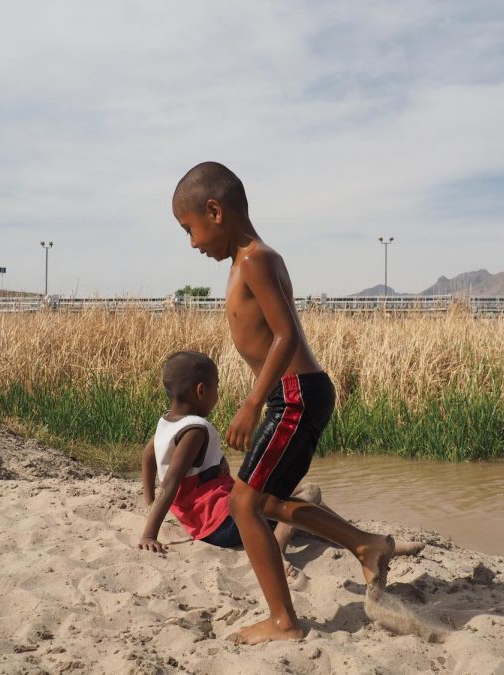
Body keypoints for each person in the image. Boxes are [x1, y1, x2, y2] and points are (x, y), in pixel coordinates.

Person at [171, 162, 422, 644]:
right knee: (267, 500)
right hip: (297, 394)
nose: (192, 243)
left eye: (190, 229)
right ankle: (365, 544)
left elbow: (285, 336)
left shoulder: (254, 260)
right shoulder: (250, 260)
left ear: (215, 211)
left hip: (293, 397)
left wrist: (251, 403)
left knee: (244, 505)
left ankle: (284, 622)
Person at [136, 351, 315, 586]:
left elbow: (148, 457)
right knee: (311, 491)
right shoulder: (195, 431)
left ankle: (335, 532)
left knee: (295, 492)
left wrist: (149, 504)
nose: (218, 394)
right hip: (225, 523)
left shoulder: (167, 423)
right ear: (201, 391)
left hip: (205, 520)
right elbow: (171, 481)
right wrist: (149, 534)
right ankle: (276, 550)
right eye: (217, 388)